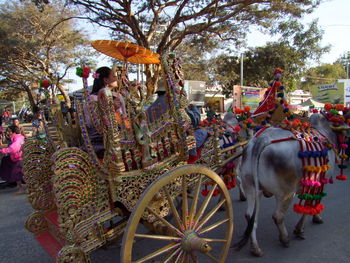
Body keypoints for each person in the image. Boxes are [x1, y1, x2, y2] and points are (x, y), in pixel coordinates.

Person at [0, 126, 26, 194]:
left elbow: (13, 148)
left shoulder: (17, 139)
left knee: (17, 173)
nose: (8, 133)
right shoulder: (19, 137)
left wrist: (3, 150)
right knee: (20, 172)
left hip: (17, 157)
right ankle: (22, 186)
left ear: (14, 132)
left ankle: (21, 188)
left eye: (9, 131)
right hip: (17, 157)